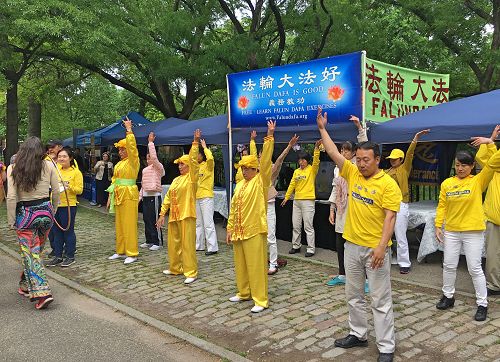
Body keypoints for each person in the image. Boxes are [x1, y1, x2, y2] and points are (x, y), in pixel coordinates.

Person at [317, 107, 401, 362]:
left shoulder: (387, 184)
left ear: (378, 160)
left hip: (375, 249)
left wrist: (381, 247)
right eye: (359, 159)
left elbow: (390, 217)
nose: (361, 164)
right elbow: (332, 152)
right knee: (353, 295)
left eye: (366, 160)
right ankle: (358, 333)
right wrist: (322, 129)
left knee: (380, 299)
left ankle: (386, 346)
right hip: (351, 246)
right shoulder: (352, 173)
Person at [434, 148, 496, 321]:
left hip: (473, 232)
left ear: (472, 166)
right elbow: (442, 206)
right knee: (449, 265)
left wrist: (490, 143)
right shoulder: (447, 183)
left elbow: (492, 165)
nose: (460, 168)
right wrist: (438, 225)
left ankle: (482, 304)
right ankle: (448, 296)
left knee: (474, 268)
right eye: (457, 165)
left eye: (464, 165)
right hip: (452, 231)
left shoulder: (477, 181)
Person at [226, 120, 275, 313]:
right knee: (241, 264)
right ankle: (244, 291)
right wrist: (229, 228)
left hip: (254, 229)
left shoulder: (260, 182)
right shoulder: (239, 185)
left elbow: (266, 162)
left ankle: (260, 299)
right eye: (243, 168)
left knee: (256, 265)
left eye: (248, 168)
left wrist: (269, 136)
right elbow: (232, 207)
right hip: (238, 229)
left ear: (256, 170)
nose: (245, 171)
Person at [6, 137, 61, 310]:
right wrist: (54, 210)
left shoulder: (13, 168)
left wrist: (11, 220)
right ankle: (24, 284)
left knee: (31, 254)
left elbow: (12, 197)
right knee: (35, 251)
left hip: (26, 214)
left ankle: (43, 293)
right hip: (45, 213)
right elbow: (57, 191)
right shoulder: (50, 165)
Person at [327, 115, 369, 291]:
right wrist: (332, 209)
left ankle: (366, 279)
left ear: (353, 153)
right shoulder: (339, 169)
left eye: (346, 150)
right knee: (339, 241)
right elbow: (335, 189)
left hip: (356, 206)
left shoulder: (355, 167)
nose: (343, 153)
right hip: (342, 208)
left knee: (360, 243)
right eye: (342, 150)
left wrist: (360, 128)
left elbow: (366, 147)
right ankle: (342, 274)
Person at [156, 130, 201, 285]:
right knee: (174, 243)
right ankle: (175, 267)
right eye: (179, 164)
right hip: (174, 215)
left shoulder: (192, 179)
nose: (180, 166)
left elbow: (195, 163)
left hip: (187, 214)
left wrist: (195, 143)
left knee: (187, 245)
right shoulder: (175, 180)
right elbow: (168, 197)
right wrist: (162, 213)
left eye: (182, 163)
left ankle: (191, 271)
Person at [384, 129, 430, 274]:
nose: (392, 160)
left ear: (401, 159)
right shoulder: (386, 172)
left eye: (395, 158)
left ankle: (404, 263)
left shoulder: (404, 168)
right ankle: (388, 258)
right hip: (387, 205)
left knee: (400, 234)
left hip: (400, 204)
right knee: (384, 233)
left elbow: (410, 154)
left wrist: (415, 139)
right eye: (391, 158)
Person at [471, 125, 500, 296]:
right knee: (493, 253)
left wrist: (490, 141)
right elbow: (484, 158)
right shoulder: (494, 169)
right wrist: (491, 140)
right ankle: (495, 285)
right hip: (494, 217)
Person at [107, 118, 140, 265]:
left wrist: (129, 131)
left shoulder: (134, 161)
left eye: (122, 149)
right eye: (119, 149)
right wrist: (110, 195)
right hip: (119, 194)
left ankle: (132, 253)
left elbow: (133, 148)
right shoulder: (119, 163)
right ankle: (121, 250)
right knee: (119, 224)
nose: (120, 152)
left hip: (129, 194)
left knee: (129, 224)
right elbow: (114, 180)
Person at [281, 139, 321, 257]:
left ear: (307, 160)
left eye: (303, 159)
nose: (301, 161)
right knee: (296, 225)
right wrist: (286, 197)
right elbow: (292, 184)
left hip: (308, 200)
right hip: (297, 200)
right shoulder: (296, 171)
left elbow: (316, 161)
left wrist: (316, 148)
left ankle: (310, 248)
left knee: (308, 226)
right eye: (300, 159)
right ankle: (296, 246)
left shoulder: (312, 169)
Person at [266, 134, 299, 275]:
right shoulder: (254, 171)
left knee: (270, 236)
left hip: (268, 206)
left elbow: (280, 160)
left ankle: (273, 263)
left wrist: (289, 146)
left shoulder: (272, 170)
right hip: (256, 207)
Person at [46, 148, 83, 267]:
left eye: (64, 156)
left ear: (70, 158)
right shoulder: (56, 170)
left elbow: (79, 190)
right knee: (56, 231)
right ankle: (58, 255)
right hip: (55, 204)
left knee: (68, 230)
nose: (61, 159)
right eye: (60, 156)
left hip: (69, 205)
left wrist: (69, 185)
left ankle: (70, 255)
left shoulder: (76, 172)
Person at [139, 132, 165, 251]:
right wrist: (139, 198)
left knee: (155, 219)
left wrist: (150, 142)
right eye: (147, 158)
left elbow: (154, 157)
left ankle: (158, 241)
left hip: (154, 196)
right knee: (147, 219)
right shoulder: (145, 170)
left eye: (150, 157)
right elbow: (143, 186)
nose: (149, 159)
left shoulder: (158, 168)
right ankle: (149, 240)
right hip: (146, 196)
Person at [195, 138, 218, 255]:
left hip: (206, 197)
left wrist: (204, 147)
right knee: (198, 223)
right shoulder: (195, 166)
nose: (196, 156)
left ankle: (212, 247)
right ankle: (199, 245)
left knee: (208, 222)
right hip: (197, 197)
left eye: (198, 154)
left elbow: (211, 159)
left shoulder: (208, 166)